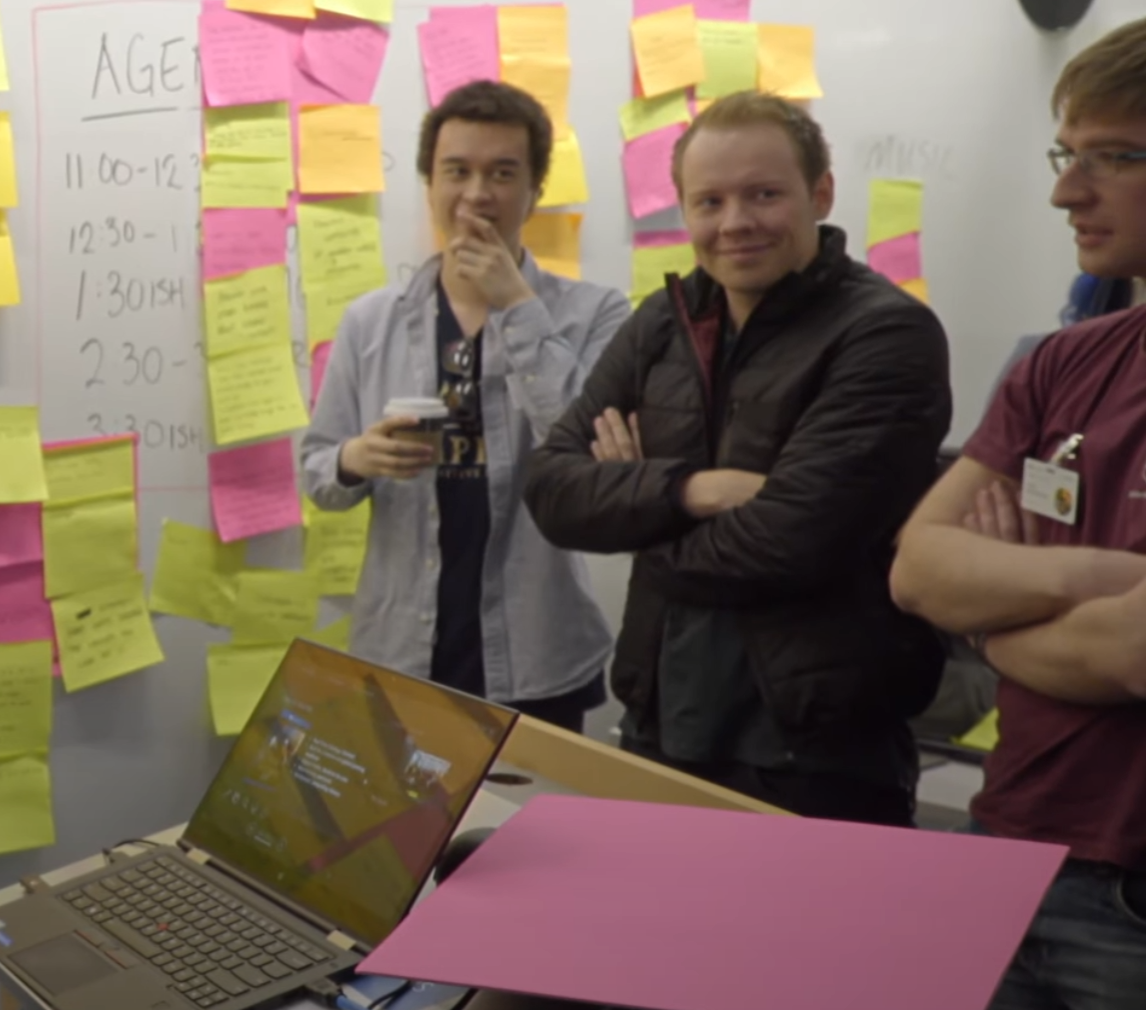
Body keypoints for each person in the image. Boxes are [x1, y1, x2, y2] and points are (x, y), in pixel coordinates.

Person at [524, 91, 949, 823]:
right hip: (659, 721)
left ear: (820, 193)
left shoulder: (886, 335)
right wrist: (692, 489)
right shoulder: (663, 322)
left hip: (813, 748)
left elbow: (790, 541)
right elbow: (552, 490)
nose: (735, 222)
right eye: (709, 201)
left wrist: (634, 513)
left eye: (763, 194)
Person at [886, 17, 1146, 1010]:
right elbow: (918, 568)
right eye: (1064, 155)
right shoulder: (1060, 360)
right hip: (1010, 858)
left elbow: (1136, 654)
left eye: (1111, 157)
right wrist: (1090, 580)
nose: (1065, 193)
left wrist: (995, 612)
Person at [300, 81, 629, 729]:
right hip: (401, 648)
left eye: (502, 173)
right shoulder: (370, 322)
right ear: (429, 184)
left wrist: (517, 305)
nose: (477, 193)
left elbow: (595, 460)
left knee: (532, 803)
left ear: (535, 189)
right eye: (457, 171)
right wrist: (354, 458)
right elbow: (317, 475)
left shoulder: (596, 313)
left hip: (538, 651)